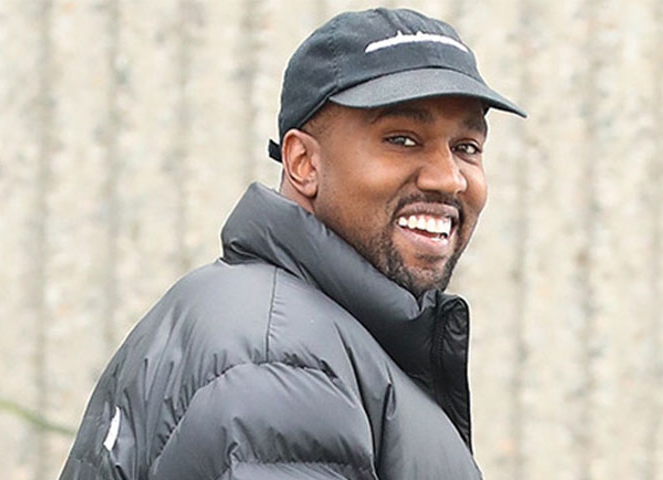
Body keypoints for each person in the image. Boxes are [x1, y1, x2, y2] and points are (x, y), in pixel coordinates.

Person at [59, 7, 525, 480]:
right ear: (303, 163)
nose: (449, 178)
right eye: (402, 139)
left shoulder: (291, 329)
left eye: (466, 148)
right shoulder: (281, 359)